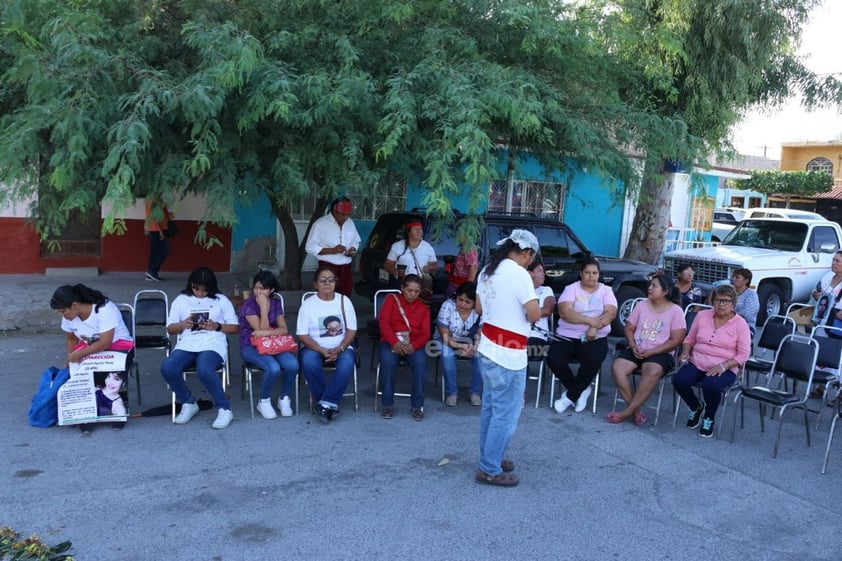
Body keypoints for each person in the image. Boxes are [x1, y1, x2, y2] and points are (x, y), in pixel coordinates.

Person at [474, 229, 541, 487]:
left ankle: (490, 457)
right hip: (510, 353)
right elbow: (534, 314)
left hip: (488, 346)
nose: (530, 263)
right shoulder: (519, 274)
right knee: (506, 413)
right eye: (531, 259)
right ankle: (489, 468)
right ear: (526, 252)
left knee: (491, 408)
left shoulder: (487, 271)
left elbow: (480, 308)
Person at [51, 284, 135, 433]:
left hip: (118, 346)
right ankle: (85, 415)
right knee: (79, 372)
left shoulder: (104, 310)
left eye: (63, 311)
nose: (62, 315)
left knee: (108, 374)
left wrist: (79, 355)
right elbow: (71, 339)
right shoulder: (69, 317)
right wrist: (71, 358)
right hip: (89, 349)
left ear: (75, 305)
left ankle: (117, 415)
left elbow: (105, 342)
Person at [162, 267, 239, 429]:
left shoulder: (221, 300)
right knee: (168, 368)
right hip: (188, 342)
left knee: (204, 369)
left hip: (212, 342)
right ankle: (189, 402)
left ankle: (225, 408)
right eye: (196, 288)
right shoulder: (181, 300)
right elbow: (170, 329)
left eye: (205, 290)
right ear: (191, 284)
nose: (200, 293)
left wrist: (216, 326)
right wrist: (183, 324)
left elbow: (234, 328)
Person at [673, 284, 751, 438]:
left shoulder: (741, 324)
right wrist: (686, 352)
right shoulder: (702, 316)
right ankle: (696, 406)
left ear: (733, 303)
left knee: (711, 385)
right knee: (679, 380)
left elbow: (743, 355)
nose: (721, 304)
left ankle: (709, 416)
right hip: (698, 361)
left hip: (725, 366)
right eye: (717, 300)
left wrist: (724, 365)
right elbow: (690, 338)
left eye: (726, 301)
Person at [607, 275, 685, 426]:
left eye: (654, 286)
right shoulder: (642, 305)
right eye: (650, 285)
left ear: (665, 291)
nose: (649, 288)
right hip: (637, 348)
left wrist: (653, 351)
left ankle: (626, 412)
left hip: (661, 352)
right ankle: (635, 411)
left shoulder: (675, 311)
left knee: (652, 371)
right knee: (617, 367)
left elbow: (676, 340)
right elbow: (629, 328)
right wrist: (632, 344)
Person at [547, 258, 617, 414]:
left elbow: (610, 313)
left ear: (599, 274)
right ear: (581, 274)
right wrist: (590, 320)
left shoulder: (606, 290)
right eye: (587, 272)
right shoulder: (571, 289)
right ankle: (581, 390)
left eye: (594, 273)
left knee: (593, 359)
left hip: (595, 337)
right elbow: (565, 313)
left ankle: (569, 397)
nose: (591, 276)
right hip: (568, 335)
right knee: (553, 358)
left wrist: (594, 327)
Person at [296, 266, 358, 423]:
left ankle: (325, 403)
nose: (327, 283)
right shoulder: (308, 304)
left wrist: (340, 348)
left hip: (342, 346)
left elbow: (352, 330)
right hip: (314, 347)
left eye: (331, 280)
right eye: (322, 280)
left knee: (347, 363)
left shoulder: (344, 301)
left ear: (335, 283)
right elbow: (302, 334)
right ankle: (330, 403)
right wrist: (321, 349)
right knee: (309, 363)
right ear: (315, 284)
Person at [238, 271, 299, 419]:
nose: (259, 292)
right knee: (273, 368)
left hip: (274, 344)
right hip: (250, 346)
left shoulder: (276, 304)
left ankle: (284, 398)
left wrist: (264, 333)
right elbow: (261, 328)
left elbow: (284, 330)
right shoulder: (249, 305)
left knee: (292, 364)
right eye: (257, 288)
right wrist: (264, 309)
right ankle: (263, 401)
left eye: (263, 288)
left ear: (271, 290)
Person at [378, 274, 432, 420]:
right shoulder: (391, 300)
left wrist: (413, 346)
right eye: (410, 290)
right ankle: (387, 404)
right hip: (391, 341)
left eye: (416, 291)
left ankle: (417, 406)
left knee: (420, 363)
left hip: (413, 344)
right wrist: (394, 342)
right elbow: (383, 323)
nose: (413, 294)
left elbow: (426, 333)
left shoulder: (423, 309)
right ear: (402, 288)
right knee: (388, 362)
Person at [436, 281, 482, 407]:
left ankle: (475, 392)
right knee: (447, 355)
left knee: (481, 356)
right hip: (449, 340)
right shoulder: (447, 306)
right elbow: (445, 336)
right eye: (460, 299)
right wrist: (460, 346)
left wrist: (474, 347)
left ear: (474, 303)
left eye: (468, 302)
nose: (462, 304)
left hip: (470, 342)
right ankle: (452, 392)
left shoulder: (480, 310)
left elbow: (480, 333)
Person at [304, 197, 361, 296]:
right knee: (327, 296)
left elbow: (356, 241)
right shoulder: (320, 224)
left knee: (345, 297)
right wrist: (332, 250)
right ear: (335, 211)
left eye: (347, 215)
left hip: (346, 268)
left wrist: (353, 249)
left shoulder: (350, 223)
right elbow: (309, 246)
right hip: (328, 267)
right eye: (343, 214)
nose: (345, 218)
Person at [790, 251, 842, 330]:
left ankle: (808, 336)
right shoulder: (828, 276)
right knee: (790, 318)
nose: (833, 263)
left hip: (833, 316)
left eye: (837, 261)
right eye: (833, 260)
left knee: (818, 330)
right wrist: (816, 295)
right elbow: (815, 292)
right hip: (818, 310)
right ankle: (802, 339)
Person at [144, 198, 172, 282]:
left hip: (157, 228)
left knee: (155, 251)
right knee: (164, 250)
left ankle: (151, 273)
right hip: (156, 229)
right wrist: (160, 231)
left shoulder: (159, 199)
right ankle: (152, 271)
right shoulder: (153, 200)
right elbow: (153, 217)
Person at [446, 230, 479, 296]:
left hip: (461, 287)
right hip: (455, 284)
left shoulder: (470, 250)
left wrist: (465, 291)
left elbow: (473, 270)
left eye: (459, 234)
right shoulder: (464, 248)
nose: (457, 237)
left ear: (466, 236)